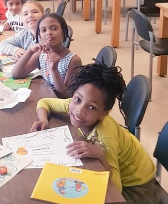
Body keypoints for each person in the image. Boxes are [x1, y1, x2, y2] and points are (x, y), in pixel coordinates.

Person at [31, 63, 165, 204]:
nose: (79, 110)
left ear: (103, 114)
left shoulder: (105, 137)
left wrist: (100, 155)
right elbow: (44, 102)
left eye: (91, 107)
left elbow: (115, 188)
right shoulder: (74, 105)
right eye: (77, 99)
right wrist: (43, 119)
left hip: (139, 187)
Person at [11, 13, 81, 98]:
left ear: (63, 31)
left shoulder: (73, 60)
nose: (49, 33)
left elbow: (66, 96)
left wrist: (54, 69)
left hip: (58, 105)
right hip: (44, 96)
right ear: (39, 35)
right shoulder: (41, 54)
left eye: (54, 28)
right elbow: (16, 74)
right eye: (44, 30)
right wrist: (30, 51)